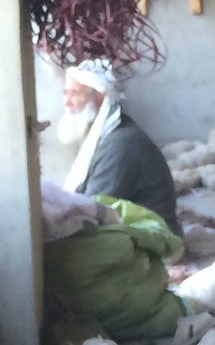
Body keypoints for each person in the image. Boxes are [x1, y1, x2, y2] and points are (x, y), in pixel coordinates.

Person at [56, 60, 180, 235]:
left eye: (74, 94)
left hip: (156, 237)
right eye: (65, 93)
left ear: (99, 98)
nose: (66, 102)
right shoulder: (104, 136)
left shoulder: (121, 144)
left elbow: (94, 210)